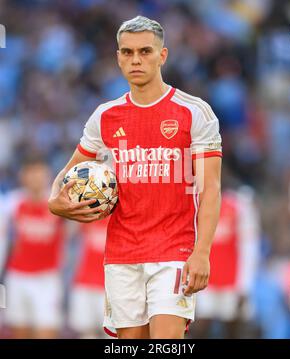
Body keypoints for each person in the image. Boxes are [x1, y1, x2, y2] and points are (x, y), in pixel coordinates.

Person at [48, 15, 222, 339]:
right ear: (118, 57)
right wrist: (54, 201)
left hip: (175, 249)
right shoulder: (105, 116)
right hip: (122, 251)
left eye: (145, 51)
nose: (136, 60)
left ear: (162, 55)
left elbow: (210, 188)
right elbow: (68, 174)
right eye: (127, 53)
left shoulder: (194, 112)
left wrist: (202, 251)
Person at [2, 156, 65, 339]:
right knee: (19, 333)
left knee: (46, 333)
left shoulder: (58, 203)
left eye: (40, 172)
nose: (36, 178)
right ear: (23, 176)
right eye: (31, 173)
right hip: (17, 277)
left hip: (47, 279)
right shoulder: (12, 203)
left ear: (48, 175)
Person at [193, 186, 260, 338]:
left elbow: (249, 247)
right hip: (205, 279)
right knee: (201, 326)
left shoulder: (240, 204)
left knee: (232, 327)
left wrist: (244, 286)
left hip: (231, 281)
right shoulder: (198, 200)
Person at [68, 218, 109, 339]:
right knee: (86, 332)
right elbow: (68, 232)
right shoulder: (89, 216)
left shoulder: (120, 219)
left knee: (111, 333)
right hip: (84, 283)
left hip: (110, 287)